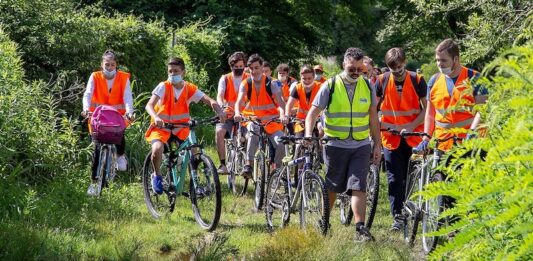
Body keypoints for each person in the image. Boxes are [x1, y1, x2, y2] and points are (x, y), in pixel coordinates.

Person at [305, 47, 381, 242]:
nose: (355, 72)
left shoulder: (367, 85)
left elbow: (373, 118)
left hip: (361, 144)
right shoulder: (330, 85)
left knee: (359, 186)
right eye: (351, 68)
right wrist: (307, 134)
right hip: (335, 145)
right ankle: (325, 220)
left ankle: (360, 228)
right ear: (343, 65)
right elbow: (312, 113)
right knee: (333, 186)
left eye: (359, 68)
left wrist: (377, 145)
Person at [145, 57, 226, 194]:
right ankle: (157, 175)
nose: (172, 74)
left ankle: (196, 183)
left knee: (194, 150)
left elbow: (209, 100)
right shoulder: (163, 86)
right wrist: (156, 117)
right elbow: (149, 105)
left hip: (180, 128)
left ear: (183, 72)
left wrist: (219, 111)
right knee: (157, 148)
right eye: (170, 71)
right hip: (161, 127)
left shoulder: (189, 88)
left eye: (176, 71)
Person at [375, 47, 427, 231]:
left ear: (405, 62)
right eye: (392, 68)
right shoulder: (381, 80)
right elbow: (374, 109)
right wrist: (376, 128)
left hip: (414, 137)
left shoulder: (417, 80)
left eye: (399, 67)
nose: (396, 71)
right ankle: (398, 217)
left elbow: (426, 109)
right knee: (394, 179)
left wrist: (411, 127)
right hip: (390, 137)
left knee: (412, 178)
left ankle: (414, 211)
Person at [416, 38, 488, 153]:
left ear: (456, 59)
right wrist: (426, 138)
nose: (440, 64)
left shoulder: (474, 78)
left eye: (444, 60)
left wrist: (473, 132)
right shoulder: (434, 80)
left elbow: (482, 110)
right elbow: (430, 113)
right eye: (437, 60)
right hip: (442, 143)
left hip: (470, 144)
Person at [82, 50, 134, 195]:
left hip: (117, 118)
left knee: (119, 133)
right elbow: (88, 94)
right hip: (98, 118)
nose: (110, 67)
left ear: (116, 64)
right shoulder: (95, 76)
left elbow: (128, 97)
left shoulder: (123, 78)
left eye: (112, 64)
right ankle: (94, 182)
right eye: (107, 64)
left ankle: (120, 155)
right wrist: (86, 109)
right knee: (98, 149)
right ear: (101, 65)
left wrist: (130, 112)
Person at [234, 54, 289, 177]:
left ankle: (277, 171)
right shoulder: (246, 83)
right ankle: (248, 164)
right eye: (251, 68)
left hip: (272, 122)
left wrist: (283, 115)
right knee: (253, 129)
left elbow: (281, 104)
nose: (254, 71)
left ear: (261, 67)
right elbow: (239, 102)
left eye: (257, 68)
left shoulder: (272, 83)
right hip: (253, 119)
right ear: (248, 69)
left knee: (281, 142)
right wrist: (237, 113)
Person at [215, 52, 249, 174]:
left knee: (249, 135)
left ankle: (247, 164)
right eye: (237, 66)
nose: (239, 69)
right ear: (231, 66)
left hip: (245, 114)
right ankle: (223, 164)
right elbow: (220, 95)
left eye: (241, 66)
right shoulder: (225, 78)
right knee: (219, 132)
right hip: (228, 113)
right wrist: (222, 106)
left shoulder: (249, 78)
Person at [285, 65, 321, 136]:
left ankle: (320, 147)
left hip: (317, 119)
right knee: (298, 142)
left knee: (321, 132)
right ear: (300, 78)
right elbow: (289, 104)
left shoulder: (320, 87)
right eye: (304, 78)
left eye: (309, 78)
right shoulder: (297, 88)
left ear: (314, 77)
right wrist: (286, 115)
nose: (306, 81)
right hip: (301, 119)